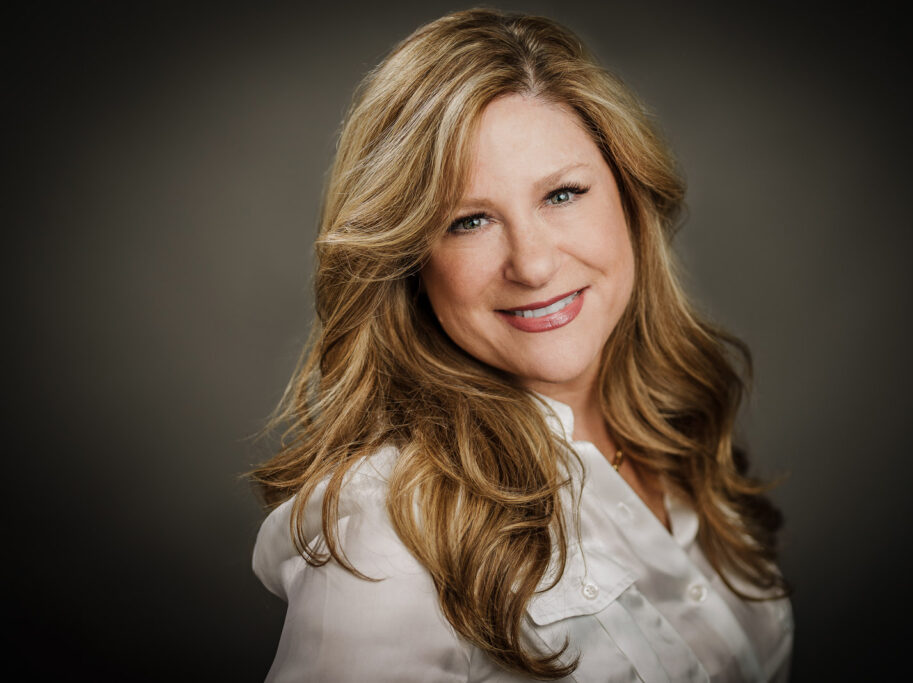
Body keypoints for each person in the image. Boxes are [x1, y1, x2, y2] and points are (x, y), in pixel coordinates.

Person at [251, 8, 792, 682]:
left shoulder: (677, 431)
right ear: (408, 259)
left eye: (562, 194)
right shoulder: (386, 526)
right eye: (469, 220)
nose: (532, 265)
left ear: (629, 198)